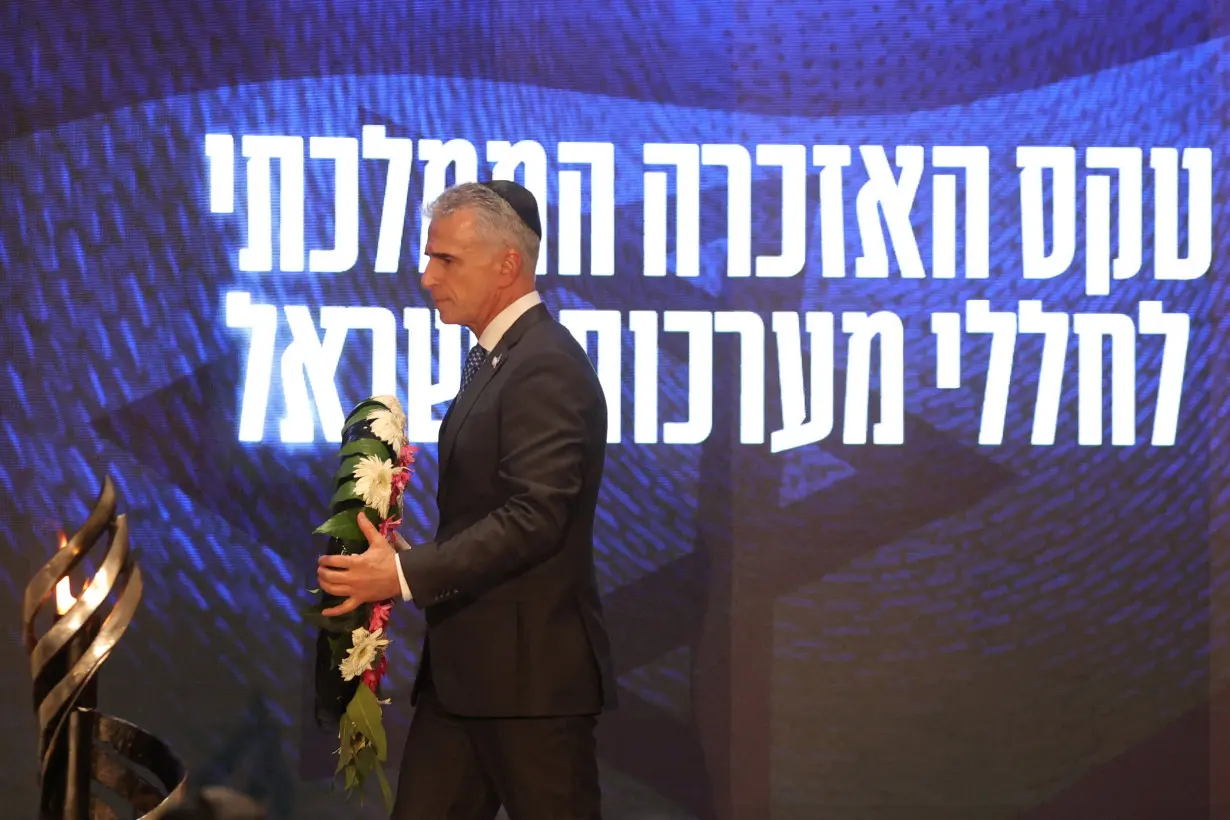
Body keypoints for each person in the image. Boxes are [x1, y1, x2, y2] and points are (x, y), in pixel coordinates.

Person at [316, 180, 616, 819]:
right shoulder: (501, 360)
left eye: (445, 259)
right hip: (468, 677)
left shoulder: (545, 366)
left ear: (508, 264)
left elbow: (536, 517)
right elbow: (492, 513)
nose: (427, 278)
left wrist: (401, 574)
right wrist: (398, 553)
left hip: (530, 685)